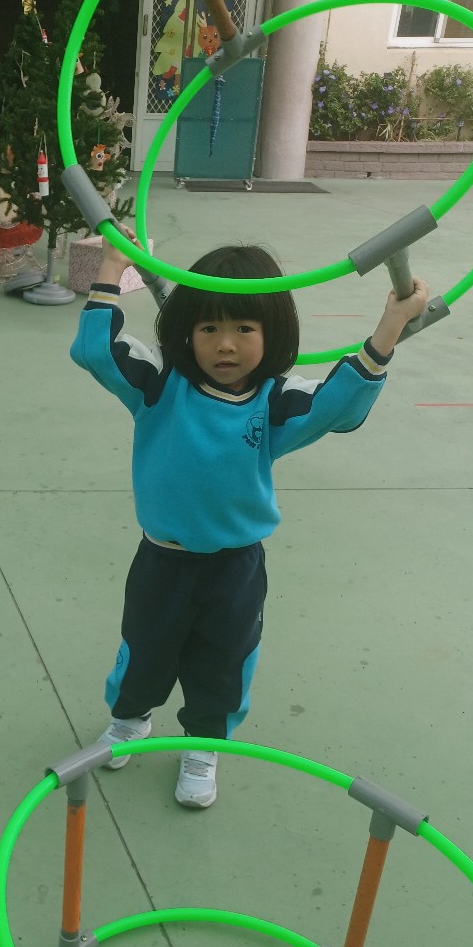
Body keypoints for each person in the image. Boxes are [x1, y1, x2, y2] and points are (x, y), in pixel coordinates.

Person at [70, 234, 428, 809]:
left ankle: (204, 745)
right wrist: (111, 267)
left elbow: (337, 406)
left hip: (235, 568)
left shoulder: (275, 402)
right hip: (163, 559)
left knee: (225, 661)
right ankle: (129, 720)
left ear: (273, 333)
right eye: (208, 327)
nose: (225, 344)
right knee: (144, 647)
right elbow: (96, 352)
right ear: (185, 331)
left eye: (244, 328)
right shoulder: (160, 384)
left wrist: (390, 328)